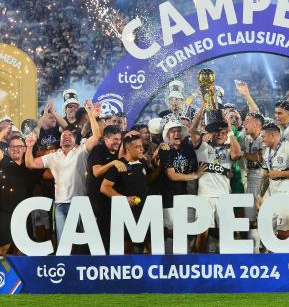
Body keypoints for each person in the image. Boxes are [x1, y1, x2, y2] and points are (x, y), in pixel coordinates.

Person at [25, 99, 101, 243]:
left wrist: (92, 116)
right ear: (59, 142)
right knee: (63, 244)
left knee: (85, 245)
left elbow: (96, 136)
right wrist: (29, 147)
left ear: (75, 140)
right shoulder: (54, 156)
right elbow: (30, 163)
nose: (66, 136)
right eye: (63, 136)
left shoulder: (81, 151)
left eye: (69, 135)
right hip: (60, 205)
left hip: (81, 204)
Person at [191, 106, 242, 253]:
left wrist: (230, 130)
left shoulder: (228, 150)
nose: (219, 135)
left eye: (223, 132)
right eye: (216, 132)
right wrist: (201, 110)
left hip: (224, 197)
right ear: (211, 133)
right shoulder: (202, 147)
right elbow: (193, 130)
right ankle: (199, 263)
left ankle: (226, 265)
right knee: (202, 232)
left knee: (228, 234)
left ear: (227, 134)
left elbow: (238, 154)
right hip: (204, 196)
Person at [158, 119, 206, 253]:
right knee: (172, 233)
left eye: (178, 131)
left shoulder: (189, 149)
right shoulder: (165, 150)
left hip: (188, 197)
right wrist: (194, 175)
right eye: (172, 131)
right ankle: (168, 264)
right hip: (170, 198)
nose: (176, 133)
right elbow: (171, 175)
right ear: (168, 135)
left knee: (189, 231)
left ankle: (186, 264)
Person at [0, 128, 36, 255]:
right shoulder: (3, 161)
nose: (15, 149)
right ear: (8, 149)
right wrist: (5, 130)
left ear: (25, 149)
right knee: (3, 247)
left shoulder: (29, 164)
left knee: (22, 249)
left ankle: (17, 275)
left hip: (23, 213)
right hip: (4, 214)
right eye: (12, 146)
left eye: (19, 146)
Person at [100, 131, 149, 253]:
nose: (141, 149)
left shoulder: (142, 162)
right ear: (128, 148)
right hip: (126, 215)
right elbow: (104, 187)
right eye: (138, 147)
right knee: (127, 249)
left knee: (147, 248)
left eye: (141, 146)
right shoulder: (120, 165)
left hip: (144, 213)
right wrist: (124, 199)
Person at [258, 121, 289, 240]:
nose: (261, 138)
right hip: (275, 196)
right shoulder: (267, 152)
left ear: (273, 135)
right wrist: (260, 195)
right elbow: (266, 176)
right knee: (270, 233)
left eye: (263, 136)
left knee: (284, 233)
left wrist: (279, 173)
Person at [86, 125, 125, 249]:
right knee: (99, 229)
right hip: (96, 196)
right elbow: (96, 172)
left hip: (109, 196)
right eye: (114, 139)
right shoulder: (98, 150)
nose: (117, 142)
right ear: (105, 139)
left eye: (119, 139)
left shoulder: (116, 153)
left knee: (109, 228)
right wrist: (113, 163)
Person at [240, 112, 265, 252]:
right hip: (249, 180)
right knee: (250, 219)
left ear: (257, 124)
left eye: (247, 121)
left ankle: (265, 250)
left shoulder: (264, 138)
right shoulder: (247, 138)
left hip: (262, 182)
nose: (244, 124)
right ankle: (254, 251)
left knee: (263, 218)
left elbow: (260, 158)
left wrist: (242, 154)